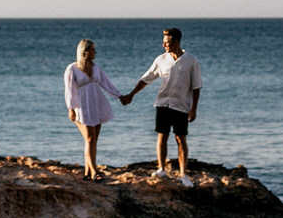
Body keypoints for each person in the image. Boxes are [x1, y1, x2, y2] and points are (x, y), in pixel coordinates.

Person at [118, 27, 201, 185]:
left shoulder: (191, 61)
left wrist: (194, 108)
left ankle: (183, 174)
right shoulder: (161, 59)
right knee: (162, 136)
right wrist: (131, 94)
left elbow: (196, 86)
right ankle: (161, 169)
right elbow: (146, 79)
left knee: (181, 139)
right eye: (163, 42)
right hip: (163, 104)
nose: (164, 45)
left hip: (181, 105)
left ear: (176, 42)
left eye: (167, 43)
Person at [63, 38, 121, 180]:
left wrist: (119, 96)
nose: (95, 52)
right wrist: (71, 108)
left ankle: (88, 173)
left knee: (93, 140)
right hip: (81, 106)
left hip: (97, 104)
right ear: (85, 51)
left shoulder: (96, 68)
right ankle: (95, 172)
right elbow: (69, 90)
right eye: (93, 49)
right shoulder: (72, 69)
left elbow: (107, 84)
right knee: (89, 138)